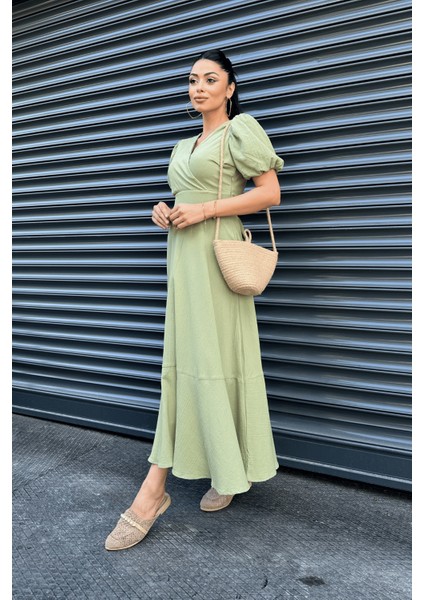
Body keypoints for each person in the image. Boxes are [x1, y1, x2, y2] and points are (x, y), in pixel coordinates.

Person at [105, 49, 284, 551]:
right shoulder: (184, 144)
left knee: (212, 362)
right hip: (181, 260)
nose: (199, 87)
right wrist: (164, 210)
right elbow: (184, 197)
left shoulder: (240, 130)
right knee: (185, 363)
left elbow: (269, 193)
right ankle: (225, 469)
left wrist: (205, 210)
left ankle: (152, 492)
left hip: (216, 261)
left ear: (230, 88)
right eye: (192, 80)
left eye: (210, 79)